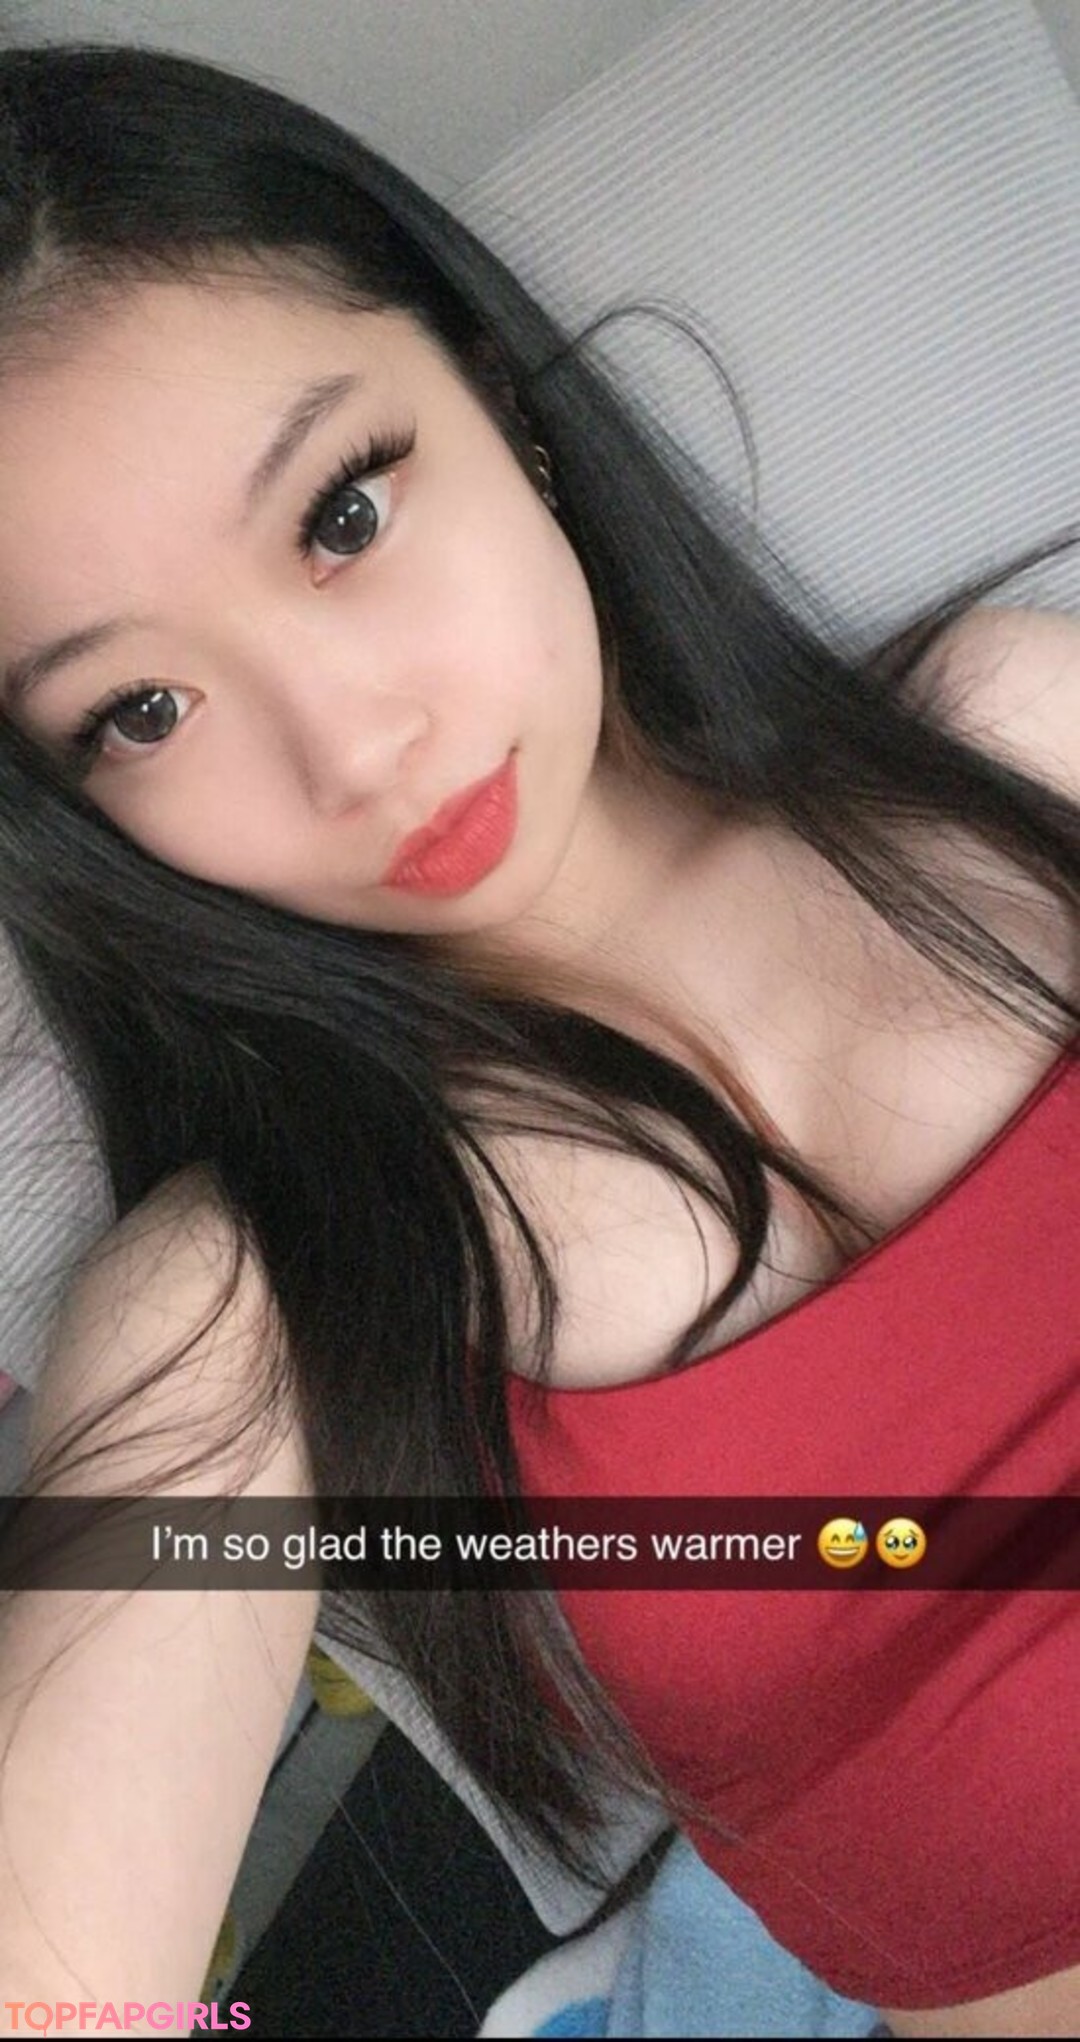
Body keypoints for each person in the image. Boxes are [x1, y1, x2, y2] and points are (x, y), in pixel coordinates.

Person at [0, 38, 1075, 2039]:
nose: (355, 746)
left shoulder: (1021, 742)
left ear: (503, 406)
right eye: (138, 711)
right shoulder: (252, 1298)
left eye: (342, 510)